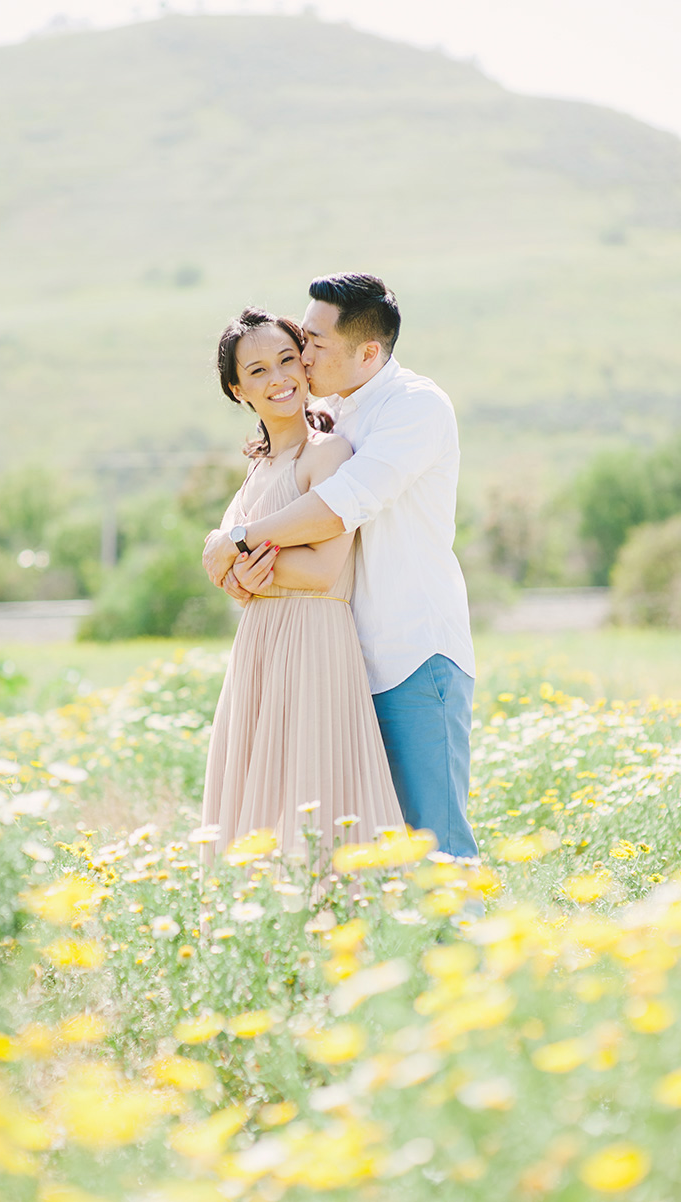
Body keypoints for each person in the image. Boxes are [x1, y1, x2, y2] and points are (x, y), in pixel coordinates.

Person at [204, 274, 478, 860]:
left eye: (313, 344)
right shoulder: (327, 412)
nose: (301, 357)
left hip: (411, 653)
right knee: (355, 844)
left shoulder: (415, 407)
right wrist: (231, 558)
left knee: (432, 840)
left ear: (368, 352)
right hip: (338, 663)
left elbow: (334, 510)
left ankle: (466, 949)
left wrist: (239, 542)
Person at [199, 306, 403, 855]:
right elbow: (218, 562)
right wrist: (235, 563)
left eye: (288, 359)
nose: (280, 378)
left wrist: (241, 559)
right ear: (237, 388)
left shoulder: (328, 454)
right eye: (258, 370)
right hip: (261, 647)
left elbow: (321, 570)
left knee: (311, 793)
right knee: (259, 797)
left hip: (314, 644)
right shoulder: (257, 468)